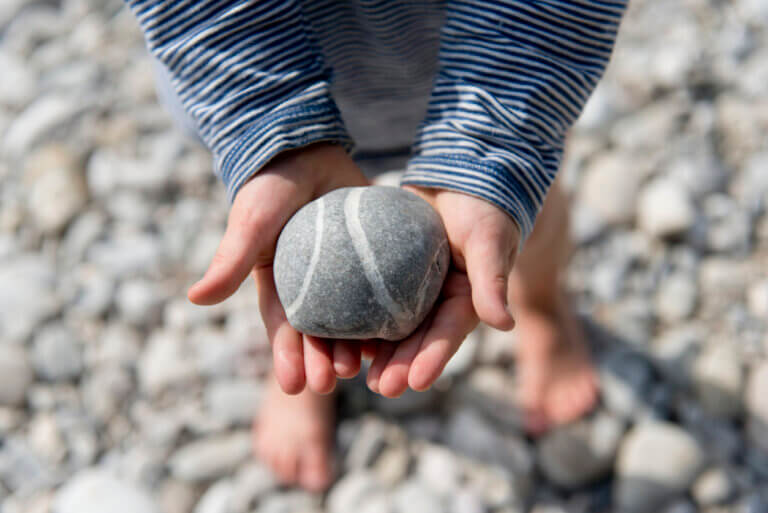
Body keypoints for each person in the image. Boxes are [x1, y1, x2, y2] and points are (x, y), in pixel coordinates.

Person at [126, 0, 626, 492]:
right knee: (265, 210)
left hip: (476, 75)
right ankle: (304, 363)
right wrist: (267, 120)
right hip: (248, 67)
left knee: (511, 211)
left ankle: (540, 306)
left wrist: (491, 142)